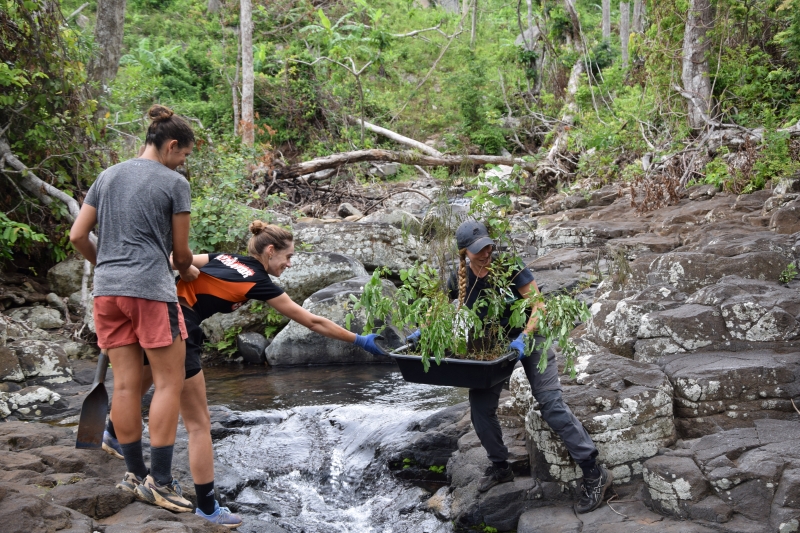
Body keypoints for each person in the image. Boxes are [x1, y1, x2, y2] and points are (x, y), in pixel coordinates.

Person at [102, 220, 387, 528]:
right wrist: (358, 340)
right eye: (288, 257)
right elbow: (312, 322)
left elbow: (173, 260)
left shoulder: (224, 258)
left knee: (134, 386)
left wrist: (186, 274)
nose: (289, 264)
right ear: (270, 250)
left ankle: (113, 433)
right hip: (179, 328)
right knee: (199, 424)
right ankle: (208, 508)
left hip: (152, 313)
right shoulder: (258, 281)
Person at [407, 220, 611, 514]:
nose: (487, 252)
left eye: (488, 246)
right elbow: (437, 309)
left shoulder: (509, 266)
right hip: (494, 347)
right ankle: (500, 466)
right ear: (464, 252)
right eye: (479, 250)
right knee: (479, 408)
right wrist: (422, 332)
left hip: (532, 337)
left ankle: (594, 472)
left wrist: (525, 338)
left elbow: (539, 306)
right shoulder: (459, 277)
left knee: (551, 404)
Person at [70, 105, 197, 513]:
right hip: (150, 292)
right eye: (184, 154)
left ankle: (134, 474)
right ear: (171, 145)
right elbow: (180, 255)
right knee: (168, 382)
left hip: (107, 293)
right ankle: (160, 482)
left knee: (124, 385)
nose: (183, 162)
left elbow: (77, 235)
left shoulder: (106, 176)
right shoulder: (174, 183)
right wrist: (190, 270)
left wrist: (106, 266)